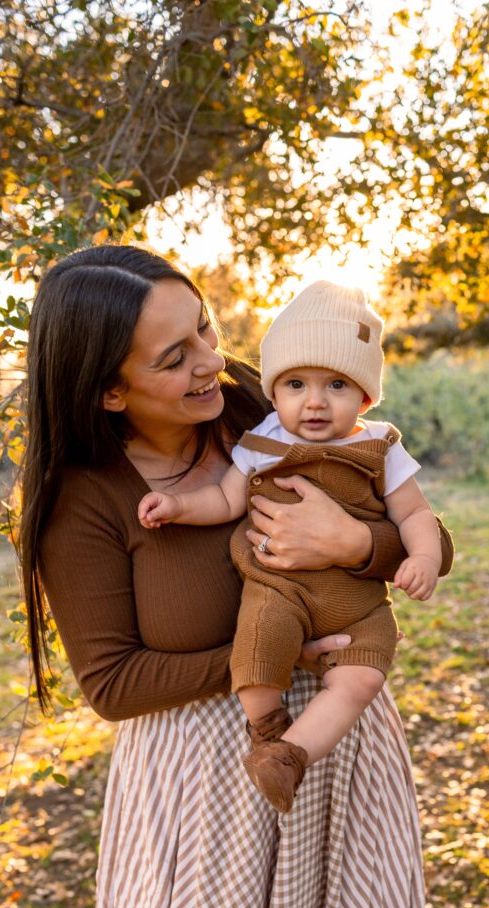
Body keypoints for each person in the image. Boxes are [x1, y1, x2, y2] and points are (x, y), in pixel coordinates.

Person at [18, 244, 453, 908]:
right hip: (202, 784)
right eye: (175, 357)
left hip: (333, 751)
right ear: (112, 390)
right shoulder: (81, 500)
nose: (212, 364)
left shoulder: (263, 412)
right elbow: (112, 685)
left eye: (208, 331)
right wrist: (262, 657)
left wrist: (355, 548)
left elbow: (416, 534)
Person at [138, 281, 443, 813]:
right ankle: (269, 735)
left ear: (366, 397)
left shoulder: (380, 446)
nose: (316, 401)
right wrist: (178, 507)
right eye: (297, 384)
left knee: (362, 678)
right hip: (280, 589)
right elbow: (225, 500)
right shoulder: (261, 443)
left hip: (359, 605)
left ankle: (294, 755)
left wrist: (422, 558)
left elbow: (416, 514)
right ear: (275, 392)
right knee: (257, 653)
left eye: (338, 385)